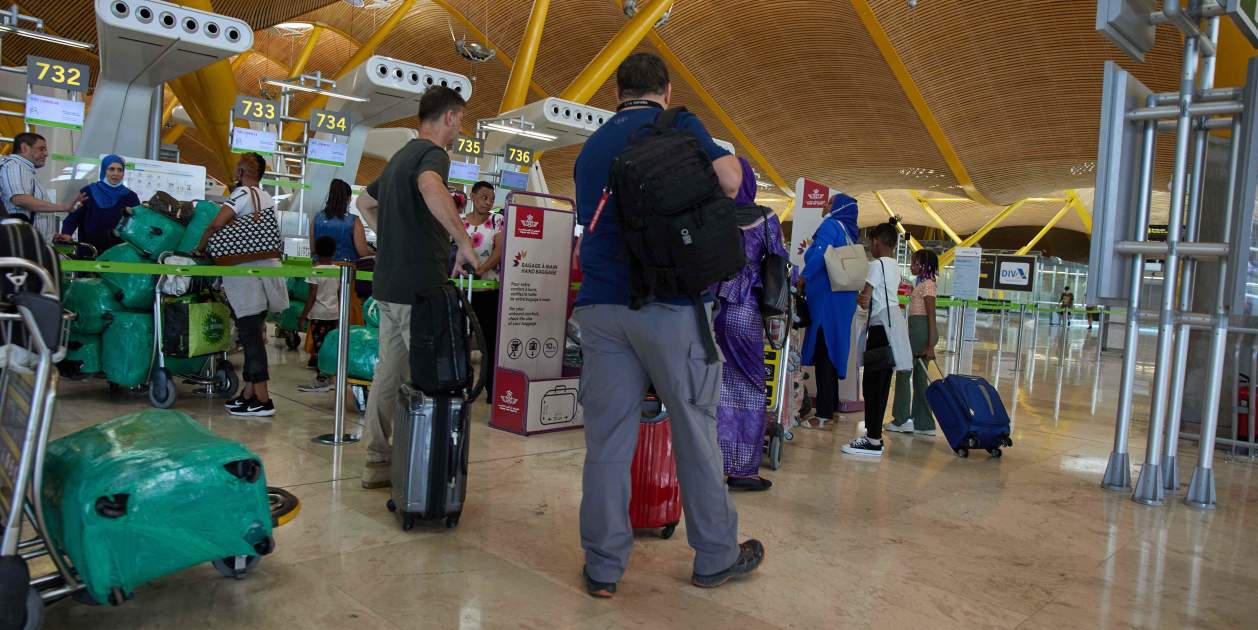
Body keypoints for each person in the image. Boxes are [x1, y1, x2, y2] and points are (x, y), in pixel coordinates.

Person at [572, 52, 762, 599]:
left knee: (607, 441)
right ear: (667, 89)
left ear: (616, 92)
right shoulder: (678, 123)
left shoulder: (591, 148)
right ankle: (715, 557)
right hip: (672, 309)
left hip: (602, 309)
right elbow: (730, 180)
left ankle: (604, 567)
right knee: (694, 432)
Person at [354, 86, 480, 489]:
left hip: (388, 285)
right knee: (431, 375)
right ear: (449, 117)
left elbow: (363, 203)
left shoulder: (398, 159)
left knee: (388, 373)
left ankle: (377, 460)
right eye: (460, 119)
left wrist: (392, 238)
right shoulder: (432, 155)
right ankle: (423, 463)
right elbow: (430, 186)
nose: (460, 127)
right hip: (418, 289)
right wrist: (463, 241)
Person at [194, 152, 288, 417]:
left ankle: (263, 399)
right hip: (265, 272)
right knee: (253, 334)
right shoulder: (266, 196)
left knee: (250, 336)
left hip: (245, 275)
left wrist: (201, 245)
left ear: (241, 171)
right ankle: (248, 394)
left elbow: (216, 223)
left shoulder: (241, 194)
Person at [715, 157, 789, 492]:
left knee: (712, 383)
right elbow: (778, 261)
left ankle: (710, 462)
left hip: (708, 309)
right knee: (750, 384)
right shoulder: (765, 217)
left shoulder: (712, 215)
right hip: (743, 310)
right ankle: (742, 469)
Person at [844, 222, 909, 458]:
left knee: (872, 386)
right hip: (893, 329)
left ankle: (872, 440)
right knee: (881, 386)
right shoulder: (895, 267)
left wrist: (856, 296)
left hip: (880, 329)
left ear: (877, 242)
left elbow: (865, 299)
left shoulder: (876, 265)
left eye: (872, 242)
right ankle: (874, 437)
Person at [800, 194, 861, 426]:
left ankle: (823, 414)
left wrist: (803, 278)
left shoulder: (830, 225)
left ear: (838, 207)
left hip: (827, 298)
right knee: (831, 348)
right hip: (842, 301)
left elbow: (820, 255)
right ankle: (831, 407)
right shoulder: (848, 232)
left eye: (829, 202)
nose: (824, 205)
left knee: (824, 348)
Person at [888, 249, 939, 436]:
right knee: (919, 378)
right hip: (918, 331)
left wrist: (931, 345)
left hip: (919, 332)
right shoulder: (921, 284)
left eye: (916, 263)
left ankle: (901, 419)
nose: (912, 265)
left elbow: (931, 316)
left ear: (925, 266)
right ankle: (923, 423)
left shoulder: (928, 285)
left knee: (903, 370)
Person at [463, 181, 504, 399]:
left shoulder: (497, 220)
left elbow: (500, 249)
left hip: (489, 288)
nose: (488, 202)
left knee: (489, 338)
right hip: (463, 290)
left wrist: (482, 269)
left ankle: (491, 388)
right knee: (462, 338)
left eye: (491, 198)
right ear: (473, 196)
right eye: (483, 197)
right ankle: (462, 385)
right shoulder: (461, 223)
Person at [55, 154, 139, 254]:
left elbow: (136, 226)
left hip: (119, 254)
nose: (115, 173)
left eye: (119, 170)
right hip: (88, 252)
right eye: (111, 169)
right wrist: (66, 234)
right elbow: (73, 218)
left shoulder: (131, 197)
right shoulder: (88, 191)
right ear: (104, 170)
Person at [0, 132, 85, 222]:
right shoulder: (15, 166)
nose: (46, 154)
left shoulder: (23, 169)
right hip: (18, 233)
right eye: (41, 149)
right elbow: (20, 199)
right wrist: (63, 207)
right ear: (24, 148)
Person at [297, 236, 341, 393]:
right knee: (330, 346)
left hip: (319, 315)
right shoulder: (338, 270)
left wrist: (303, 316)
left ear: (316, 250)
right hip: (334, 314)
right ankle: (330, 377)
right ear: (334, 251)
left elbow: (312, 296)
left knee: (318, 347)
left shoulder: (315, 270)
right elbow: (339, 293)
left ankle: (322, 380)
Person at [310, 178, 372, 263]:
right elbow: (363, 252)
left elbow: (313, 249)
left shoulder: (317, 218)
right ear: (348, 199)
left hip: (318, 268)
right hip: (344, 269)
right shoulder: (354, 221)